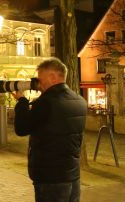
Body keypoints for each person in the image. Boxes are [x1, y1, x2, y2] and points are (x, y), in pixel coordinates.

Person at [11, 58, 87, 202]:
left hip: (50, 177)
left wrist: (22, 102)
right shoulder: (80, 101)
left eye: (40, 79)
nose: (38, 84)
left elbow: (21, 128)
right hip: (73, 175)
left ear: (52, 77)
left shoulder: (46, 103)